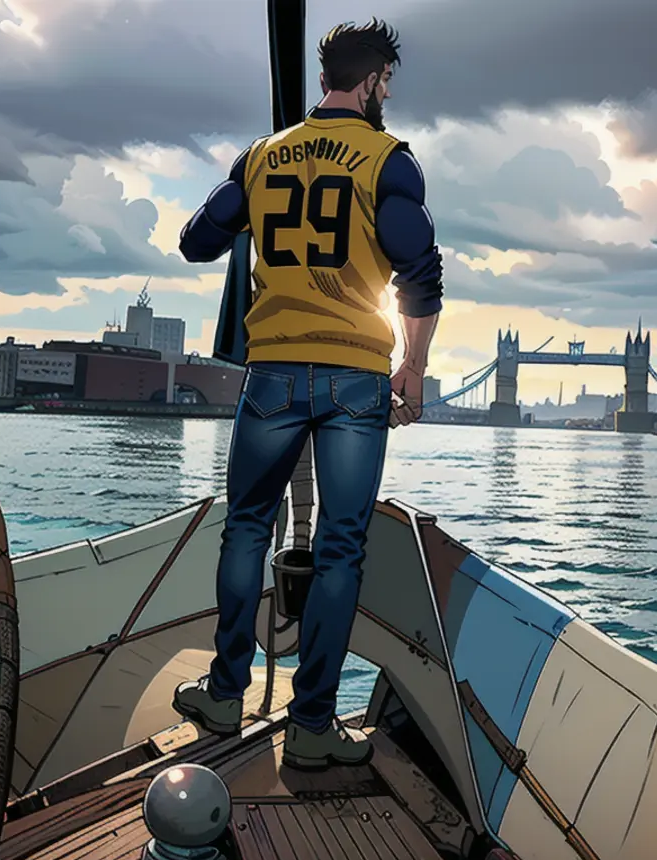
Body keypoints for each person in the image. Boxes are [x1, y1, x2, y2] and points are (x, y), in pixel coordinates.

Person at [173, 19, 443, 771]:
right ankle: (314, 726)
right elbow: (421, 274)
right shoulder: (389, 161)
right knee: (339, 550)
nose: (387, 93)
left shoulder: (261, 157)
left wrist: (250, 201)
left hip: (273, 373)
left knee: (246, 531)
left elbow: (198, 240)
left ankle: (225, 693)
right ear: (371, 79)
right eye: (387, 81)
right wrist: (413, 369)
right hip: (356, 379)